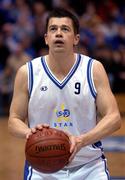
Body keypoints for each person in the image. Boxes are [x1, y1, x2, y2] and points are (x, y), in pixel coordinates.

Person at [8, 8, 121, 180]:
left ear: (76, 39)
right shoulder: (27, 72)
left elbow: (114, 118)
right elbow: (14, 119)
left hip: (90, 165)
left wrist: (82, 140)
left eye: (65, 29)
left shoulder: (93, 69)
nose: (58, 33)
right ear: (46, 38)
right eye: (53, 29)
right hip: (42, 168)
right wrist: (28, 133)